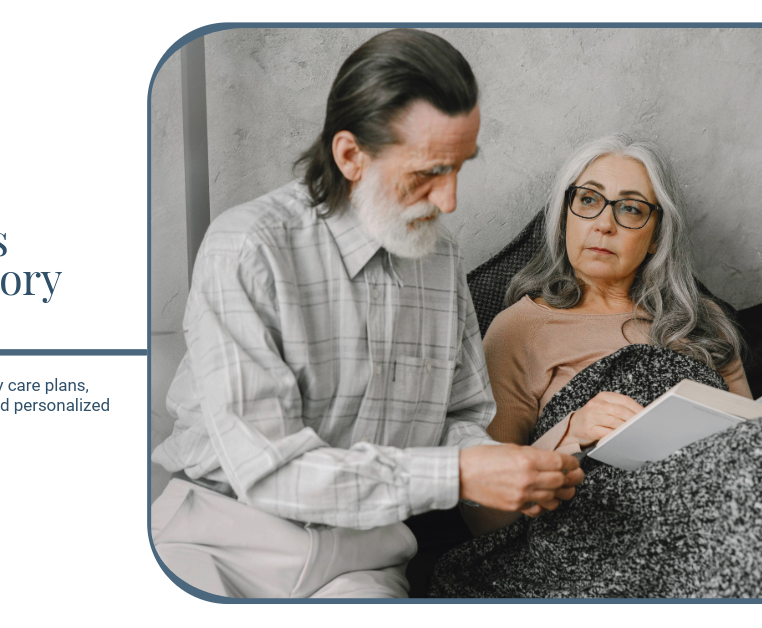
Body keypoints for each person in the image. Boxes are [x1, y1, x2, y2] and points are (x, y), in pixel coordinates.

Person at [150, 28, 584, 599]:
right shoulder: (247, 247)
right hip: (220, 538)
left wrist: (514, 463)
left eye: (460, 167)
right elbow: (269, 470)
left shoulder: (441, 256)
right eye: (428, 171)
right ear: (351, 155)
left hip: (362, 563)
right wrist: (458, 474)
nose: (450, 200)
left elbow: (461, 416)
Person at [430, 134, 762, 597]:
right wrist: (573, 431)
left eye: (629, 209)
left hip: (712, 512)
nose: (604, 224)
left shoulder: (706, 325)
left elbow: (750, 441)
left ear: (657, 233)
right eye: (588, 200)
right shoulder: (519, 328)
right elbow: (486, 515)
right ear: (565, 216)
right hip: (594, 535)